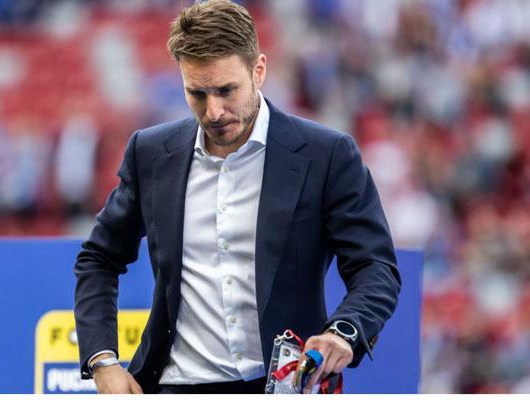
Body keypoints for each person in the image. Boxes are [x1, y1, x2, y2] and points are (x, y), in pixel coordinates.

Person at [73, 0, 401, 394]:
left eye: (226, 90)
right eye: (197, 93)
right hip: (174, 384)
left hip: (284, 386)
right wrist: (102, 361)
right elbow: (99, 257)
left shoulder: (327, 155)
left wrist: (344, 331)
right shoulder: (150, 153)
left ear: (258, 70)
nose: (213, 111)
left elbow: (374, 266)